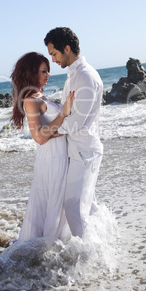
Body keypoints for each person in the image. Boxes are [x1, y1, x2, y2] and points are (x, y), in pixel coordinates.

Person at [44, 27, 103, 238]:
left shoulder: (86, 77)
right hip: (76, 152)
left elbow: (76, 122)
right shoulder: (72, 77)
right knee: (89, 207)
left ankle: (88, 259)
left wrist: (47, 133)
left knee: (74, 209)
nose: (53, 60)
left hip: (85, 152)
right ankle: (104, 243)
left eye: (54, 54)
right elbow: (67, 114)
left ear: (67, 49)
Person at [11, 52, 74, 242]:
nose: (48, 76)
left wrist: (65, 130)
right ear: (31, 73)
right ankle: (47, 254)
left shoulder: (39, 95)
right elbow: (38, 137)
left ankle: (57, 250)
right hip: (52, 160)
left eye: (48, 71)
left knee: (58, 207)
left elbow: (49, 131)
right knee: (54, 207)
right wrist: (63, 115)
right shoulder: (31, 100)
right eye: (44, 72)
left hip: (58, 156)